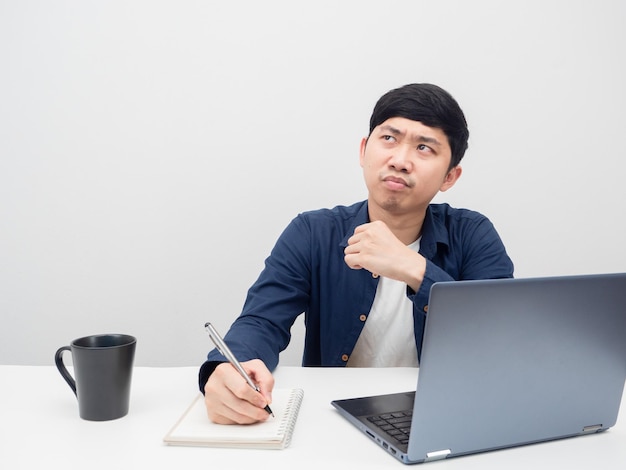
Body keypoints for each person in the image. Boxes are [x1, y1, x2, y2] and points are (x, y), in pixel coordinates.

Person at [199, 83, 514, 424]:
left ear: (450, 176)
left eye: (424, 147)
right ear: (364, 150)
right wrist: (226, 368)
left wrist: (416, 270)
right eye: (389, 139)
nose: (400, 160)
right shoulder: (312, 231)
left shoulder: (473, 234)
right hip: (333, 415)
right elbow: (262, 321)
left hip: (443, 414)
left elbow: (497, 338)